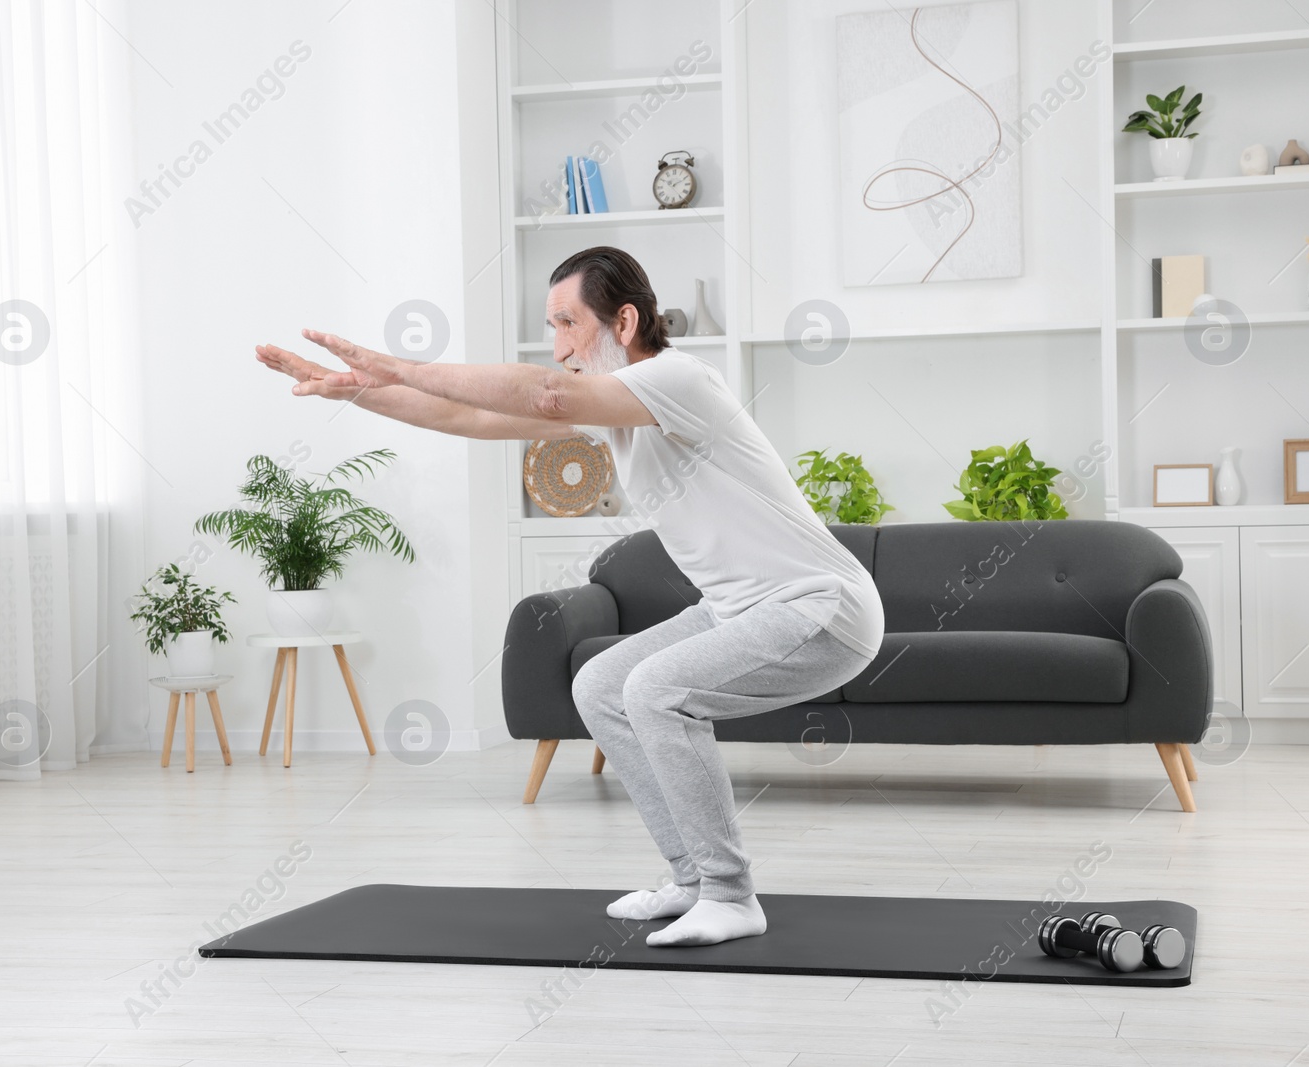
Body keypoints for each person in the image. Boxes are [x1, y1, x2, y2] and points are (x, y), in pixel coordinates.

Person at [257, 246, 884, 947]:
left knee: (654, 689)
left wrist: (396, 363)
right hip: (739, 607)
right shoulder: (616, 409)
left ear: (624, 318)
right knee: (601, 685)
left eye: (567, 323)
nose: (558, 348)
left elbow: (542, 393)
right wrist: (356, 390)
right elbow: (470, 419)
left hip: (819, 607)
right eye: (549, 328)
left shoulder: (677, 377)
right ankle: (692, 879)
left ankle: (733, 895)